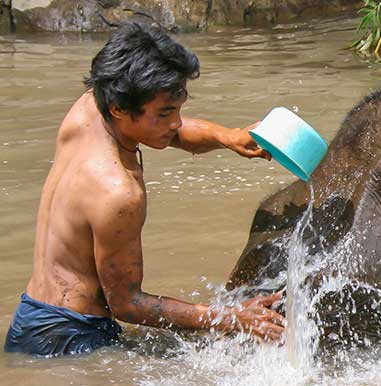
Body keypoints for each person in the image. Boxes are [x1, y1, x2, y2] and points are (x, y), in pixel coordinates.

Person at [4, 22, 286, 357]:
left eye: (178, 109)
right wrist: (228, 318)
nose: (177, 123)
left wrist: (228, 136)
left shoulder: (89, 107)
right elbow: (127, 303)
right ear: (120, 109)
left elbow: (163, 131)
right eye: (166, 112)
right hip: (71, 340)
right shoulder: (117, 192)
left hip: (33, 318)